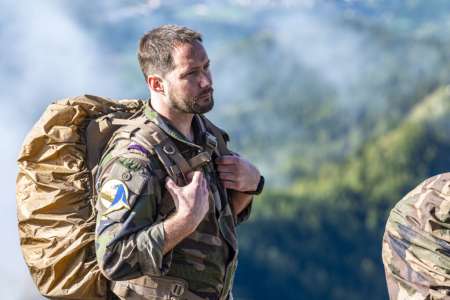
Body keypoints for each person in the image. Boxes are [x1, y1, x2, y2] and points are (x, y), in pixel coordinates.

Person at [94, 24, 264, 300]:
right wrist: (183, 221)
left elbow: (216, 223)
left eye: (206, 67)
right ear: (157, 84)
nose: (206, 81)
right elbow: (113, 258)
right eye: (191, 74)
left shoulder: (207, 136)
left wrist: (249, 186)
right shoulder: (133, 160)